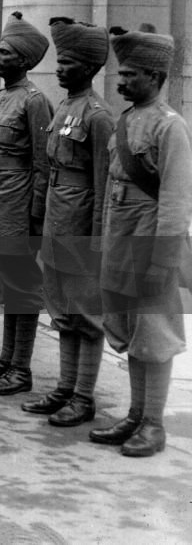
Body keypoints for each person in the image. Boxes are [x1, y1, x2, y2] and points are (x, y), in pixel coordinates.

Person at [91, 25, 191, 457]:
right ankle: (134, 415)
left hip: (151, 249)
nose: (121, 80)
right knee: (129, 331)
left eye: (131, 74)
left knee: (155, 335)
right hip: (121, 243)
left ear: (154, 76)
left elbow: (174, 201)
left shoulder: (172, 128)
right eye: (121, 73)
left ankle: (153, 424)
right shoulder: (128, 119)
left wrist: (162, 261)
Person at [23, 19, 113, 426]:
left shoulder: (98, 116)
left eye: (70, 62)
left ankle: (83, 395)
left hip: (80, 225)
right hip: (58, 220)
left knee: (85, 313)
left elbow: (102, 185)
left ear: (91, 69)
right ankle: (64, 387)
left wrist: (96, 240)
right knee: (61, 309)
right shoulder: (63, 108)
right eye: (60, 61)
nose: (60, 68)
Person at [0, 13, 52, 397]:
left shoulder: (35, 102)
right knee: (4, 280)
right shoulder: (0, 99)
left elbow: (42, 163)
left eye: (4, 52)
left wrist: (35, 215)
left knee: (22, 285)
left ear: (23, 60)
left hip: (17, 201)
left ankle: (20, 367)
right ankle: (5, 359)